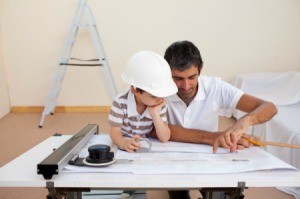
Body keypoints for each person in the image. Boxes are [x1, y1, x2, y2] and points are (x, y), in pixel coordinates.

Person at [155, 40, 278, 199]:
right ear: (167, 73)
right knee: (177, 190)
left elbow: (269, 108)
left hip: (208, 153)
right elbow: (154, 129)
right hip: (170, 153)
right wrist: (214, 137)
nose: (186, 86)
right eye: (178, 78)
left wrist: (244, 122)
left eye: (192, 77)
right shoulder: (158, 89)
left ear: (200, 70)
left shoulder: (215, 87)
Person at [108, 50, 178, 199]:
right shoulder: (120, 102)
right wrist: (124, 143)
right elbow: (114, 133)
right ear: (134, 89)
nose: (159, 99)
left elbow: (164, 137)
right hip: (127, 145)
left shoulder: (159, 104)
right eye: (154, 95)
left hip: (146, 146)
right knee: (122, 174)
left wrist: (154, 113)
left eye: (161, 95)